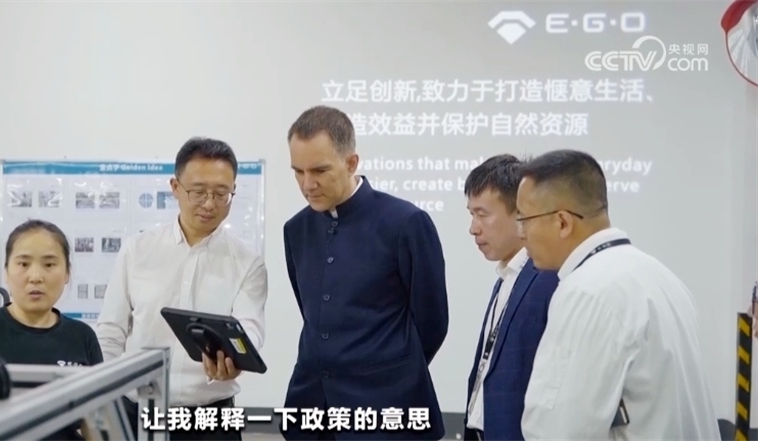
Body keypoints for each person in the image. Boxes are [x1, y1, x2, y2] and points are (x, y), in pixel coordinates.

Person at [515, 149, 720, 440]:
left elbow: (560, 429)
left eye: (524, 219)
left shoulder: (587, 290)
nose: (520, 233)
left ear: (562, 222)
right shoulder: (658, 275)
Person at [281, 105, 449, 441]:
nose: (307, 184)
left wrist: (391, 372)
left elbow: (432, 322)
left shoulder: (405, 222)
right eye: (298, 171)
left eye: (319, 170)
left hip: (387, 411)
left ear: (351, 163)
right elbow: (314, 315)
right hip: (313, 409)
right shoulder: (296, 229)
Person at [95, 137, 268, 441]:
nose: (209, 204)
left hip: (211, 421)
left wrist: (236, 358)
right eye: (198, 192)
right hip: (137, 415)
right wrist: (101, 400)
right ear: (175, 187)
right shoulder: (137, 250)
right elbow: (111, 332)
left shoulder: (247, 262)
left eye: (221, 194)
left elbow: (249, 327)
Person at [0, 219, 103, 441]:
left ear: (67, 274)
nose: (36, 277)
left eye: (49, 265)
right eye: (23, 264)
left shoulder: (82, 336)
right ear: (6, 271)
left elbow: (95, 419)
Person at [461, 155, 558, 441]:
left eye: (482, 214)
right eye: (471, 214)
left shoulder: (547, 278)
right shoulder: (507, 276)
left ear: (520, 213)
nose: (473, 228)